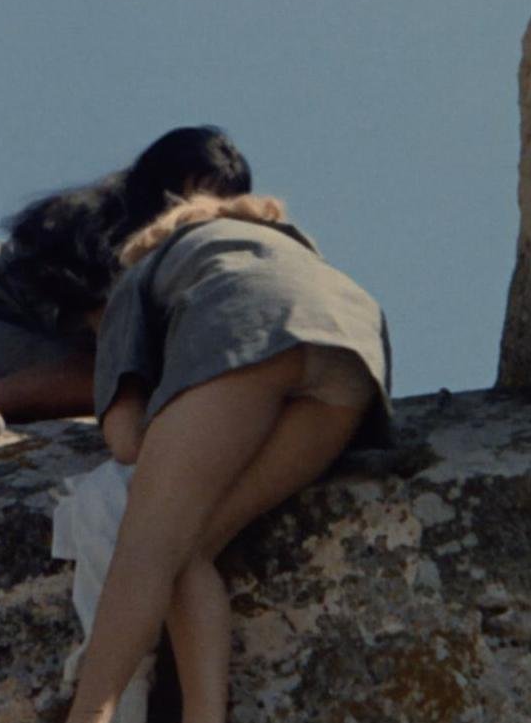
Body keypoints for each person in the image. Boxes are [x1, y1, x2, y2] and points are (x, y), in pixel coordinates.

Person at [65, 192, 392, 723]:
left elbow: (126, 441)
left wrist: (169, 424)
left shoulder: (145, 270)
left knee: (148, 546)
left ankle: (89, 714)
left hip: (247, 327)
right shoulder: (287, 250)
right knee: (191, 551)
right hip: (352, 353)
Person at [0, 126, 253, 444]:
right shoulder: (110, 237)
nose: (193, 217)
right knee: (118, 378)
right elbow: (118, 351)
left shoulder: (129, 239)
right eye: (188, 200)